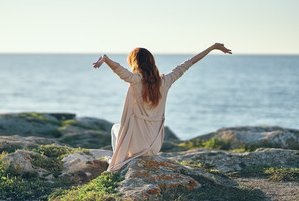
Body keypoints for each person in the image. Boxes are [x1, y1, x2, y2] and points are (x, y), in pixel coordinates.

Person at [93, 43, 232, 172]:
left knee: (115, 128)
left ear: (135, 63)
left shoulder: (135, 80)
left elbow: (119, 69)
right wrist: (213, 47)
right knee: (119, 129)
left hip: (136, 147)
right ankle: (120, 159)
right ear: (152, 62)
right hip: (154, 146)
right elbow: (188, 63)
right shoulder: (166, 81)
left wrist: (105, 59)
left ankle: (119, 161)